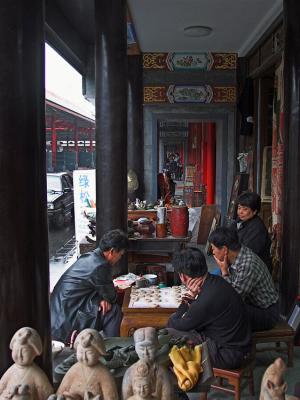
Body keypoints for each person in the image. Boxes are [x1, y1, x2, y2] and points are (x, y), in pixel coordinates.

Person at [167, 247, 252, 369]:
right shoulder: (216, 281)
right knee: (186, 328)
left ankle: (183, 373)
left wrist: (189, 298)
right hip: (239, 345)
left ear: (183, 277)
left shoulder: (206, 300)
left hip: (228, 355)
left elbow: (172, 324)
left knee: (168, 334)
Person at [50, 229, 128, 343]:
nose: (120, 258)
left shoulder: (91, 256)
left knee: (106, 305)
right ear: (112, 251)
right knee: (114, 311)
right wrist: (103, 299)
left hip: (60, 311)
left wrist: (101, 299)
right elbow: (112, 297)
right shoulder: (100, 266)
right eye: (120, 255)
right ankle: (113, 347)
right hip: (66, 318)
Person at [208, 226, 279, 331]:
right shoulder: (239, 253)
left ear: (224, 249)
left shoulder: (247, 264)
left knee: (225, 311)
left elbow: (233, 298)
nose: (212, 252)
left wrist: (224, 272)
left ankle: (235, 346)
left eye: (213, 248)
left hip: (266, 314)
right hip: (252, 305)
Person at [56, 329, 118, 400]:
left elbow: (111, 397)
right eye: (81, 352)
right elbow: (60, 392)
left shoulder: (104, 374)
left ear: (99, 353)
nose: (84, 357)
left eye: (89, 353)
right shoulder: (74, 370)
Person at [0, 327, 53, 400]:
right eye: (16, 350)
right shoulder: (11, 370)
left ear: (34, 353)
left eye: (25, 351)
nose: (19, 355)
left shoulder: (36, 373)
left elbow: (47, 393)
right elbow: (1, 386)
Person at [122, 327, 173, 400]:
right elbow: (126, 397)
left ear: (157, 346)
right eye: (141, 348)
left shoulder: (162, 372)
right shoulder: (130, 372)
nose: (145, 353)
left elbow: (168, 397)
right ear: (135, 348)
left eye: (150, 348)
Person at [234, 191, 272, 271]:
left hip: (254, 269)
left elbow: (246, 254)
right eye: (239, 208)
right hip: (239, 261)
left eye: (245, 209)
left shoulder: (257, 229)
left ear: (255, 211)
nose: (240, 212)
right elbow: (228, 234)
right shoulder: (240, 220)